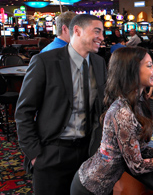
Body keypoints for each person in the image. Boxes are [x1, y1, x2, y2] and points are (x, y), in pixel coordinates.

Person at [70, 47, 153, 195]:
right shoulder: (123, 112)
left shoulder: (137, 103)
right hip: (88, 188)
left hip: (99, 186)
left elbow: (136, 150)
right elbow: (137, 166)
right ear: (132, 71)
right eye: (149, 65)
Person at [15, 14, 107, 195]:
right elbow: (24, 112)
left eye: (103, 32)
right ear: (77, 30)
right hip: (52, 151)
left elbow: (102, 108)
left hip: (87, 152)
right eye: (97, 31)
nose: (102, 37)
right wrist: (35, 155)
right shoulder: (45, 61)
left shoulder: (99, 62)